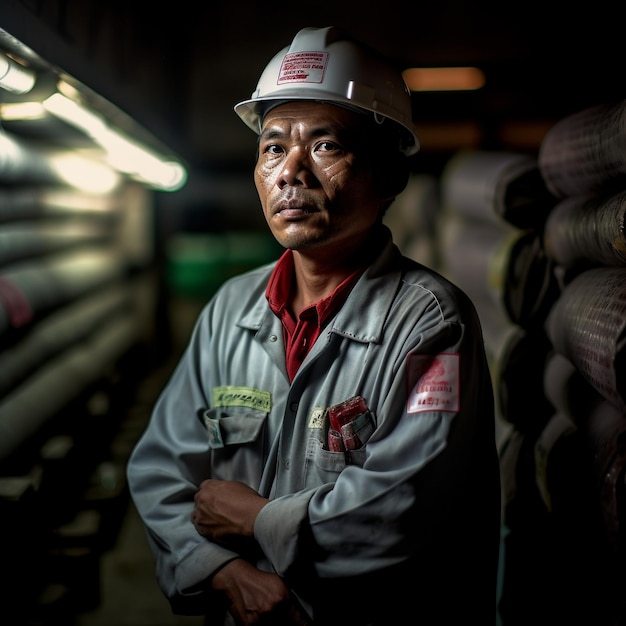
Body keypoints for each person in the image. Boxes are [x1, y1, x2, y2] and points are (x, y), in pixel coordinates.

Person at [127, 25, 501, 626]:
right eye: (274, 147)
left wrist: (257, 521)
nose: (290, 173)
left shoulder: (432, 322)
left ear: (389, 176)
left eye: (325, 146)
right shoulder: (231, 308)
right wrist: (224, 571)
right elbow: (160, 470)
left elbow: (403, 509)